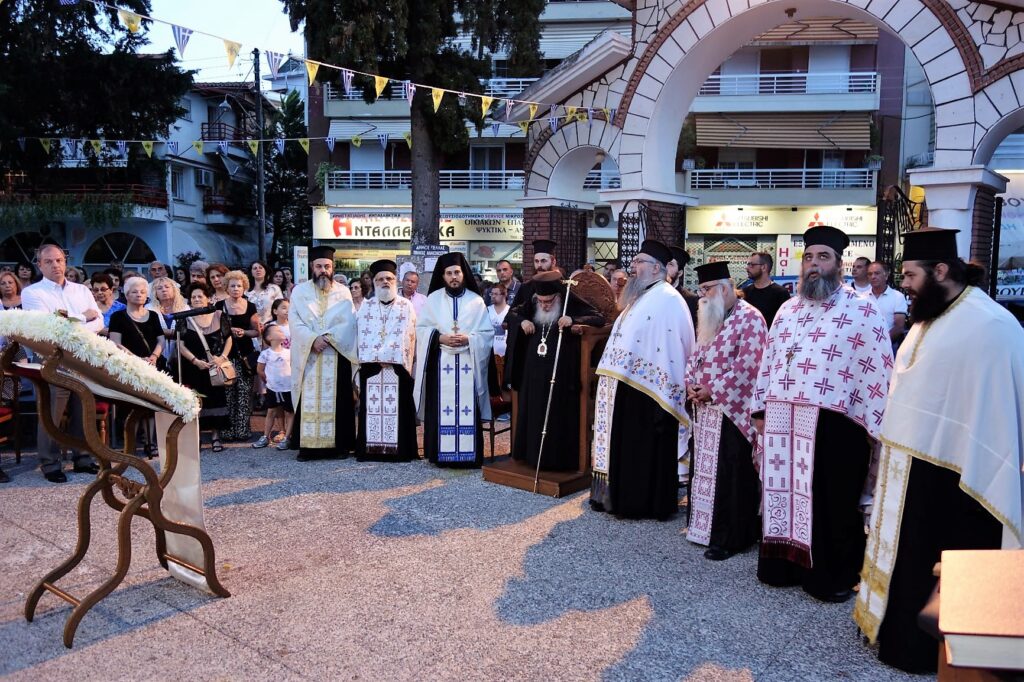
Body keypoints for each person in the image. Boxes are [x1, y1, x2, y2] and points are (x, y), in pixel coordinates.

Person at [855, 228, 1024, 674]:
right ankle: (898, 633)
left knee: (941, 557)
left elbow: (997, 410)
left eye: (911, 275)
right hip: (911, 465)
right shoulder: (930, 316)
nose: (904, 284)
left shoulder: (991, 326)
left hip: (962, 475)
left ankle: (937, 649)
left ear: (941, 271)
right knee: (910, 553)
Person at [752, 225, 893, 603]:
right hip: (784, 420)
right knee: (784, 491)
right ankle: (783, 566)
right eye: (809, 257)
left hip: (837, 425)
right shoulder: (787, 310)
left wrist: (872, 420)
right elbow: (769, 361)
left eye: (823, 257)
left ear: (838, 264)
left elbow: (877, 370)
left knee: (833, 500)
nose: (814, 264)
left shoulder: (861, 309)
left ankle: (831, 576)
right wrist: (760, 408)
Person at [590, 239, 695, 520]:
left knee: (644, 448)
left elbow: (674, 349)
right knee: (627, 447)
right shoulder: (639, 297)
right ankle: (620, 497)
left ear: (656, 268)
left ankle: (643, 503)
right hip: (626, 388)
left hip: (652, 395)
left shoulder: (669, 299)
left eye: (638, 262)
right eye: (634, 261)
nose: (632, 267)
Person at [685, 261, 767, 560]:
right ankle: (703, 529)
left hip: (734, 411)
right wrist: (691, 384)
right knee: (704, 470)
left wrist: (714, 390)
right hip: (706, 410)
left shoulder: (751, 318)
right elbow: (695, 353)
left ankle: (731, 538)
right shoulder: (710, 315)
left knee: (731, 474)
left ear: (724, 287)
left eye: (706, 289)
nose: (702, 296)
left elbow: (749, 365)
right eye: (700, 290)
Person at [505, 271, 604, 472]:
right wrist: (522, 321)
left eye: (549, 301)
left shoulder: (568, 302)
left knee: (556, 414)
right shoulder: (532, 303)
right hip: (533, 371)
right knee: (534, 411)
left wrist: (572, 319)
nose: (544, 306)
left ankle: (556, 461)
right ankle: (532, 457)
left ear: (557, 296)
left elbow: (598, 317)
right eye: (541, 301)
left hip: (561, 371)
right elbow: (512, 314)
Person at [21, 243, 102, 482]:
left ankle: (82, 458)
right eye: (48, 261)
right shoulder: (32, 292)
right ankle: (50, 463)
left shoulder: (81, 290)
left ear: (65, 262)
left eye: (59, 260)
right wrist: (82, 317)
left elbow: (99, 321)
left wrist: (72, 324)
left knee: (82, 406)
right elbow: (50, 327)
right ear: (39, 265)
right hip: (53, 357)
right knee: (52, 411)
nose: (55, 265)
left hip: (82, 354)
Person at [413, 252, 494, 467]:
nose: (453, 277)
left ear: (463, 274)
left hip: (469, 362)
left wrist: (469, 338)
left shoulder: (476, 301)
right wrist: (440, 337)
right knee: (441, 408)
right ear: (443, 276)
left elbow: (487, 334)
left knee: (468, 409)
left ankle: (469, 456)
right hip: (441, 363)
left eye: (457, 272)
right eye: (449, 273)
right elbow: (421, 329)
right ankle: (440, 455)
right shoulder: (433, 299)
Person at [290, 246, 357, 461]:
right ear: (312, 267)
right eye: (319, 266)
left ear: (332, 267)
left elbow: (349, 322)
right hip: (309, 354)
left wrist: (327, 338)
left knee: (339, 399)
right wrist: (312, 339)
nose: (323, 270)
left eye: (327, 266)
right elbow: (294, 321)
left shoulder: (343, 292)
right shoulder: (299, 292)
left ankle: (339, 447)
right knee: (307, 398)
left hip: (336, 353)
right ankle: (308, 448)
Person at [354, 259, 418, 462]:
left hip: (398, 367)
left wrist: (389, 357)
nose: (385, 282)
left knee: (400, 409)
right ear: (374, 282)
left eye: (389, 278)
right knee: (371, 409)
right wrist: (378, 357)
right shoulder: (366, 307)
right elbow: (361, 336)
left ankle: (401, 451)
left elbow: (408, 335)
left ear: (395, 280)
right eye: (380, 279)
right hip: (372, 367)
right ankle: (370, 450)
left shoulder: (406, 306)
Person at [109, 277, 166, 456]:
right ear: (126, 295)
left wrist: (154, 356)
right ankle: (130, 444)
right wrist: (136, 360)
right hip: (129, 366)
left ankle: (151, 442)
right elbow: (115, 343)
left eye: (142, 292)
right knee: (131, 405)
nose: (139, 295)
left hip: (152, 364)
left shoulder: (153, 315)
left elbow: (161, 339)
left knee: (152, 404)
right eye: (134, 292)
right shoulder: (118, 316)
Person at [176, 283, 231, 452]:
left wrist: (222, 358)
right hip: (193, 367)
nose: (197, 299)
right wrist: (195, 361)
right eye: (193, 297)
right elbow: (180, 345)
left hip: (215, 366)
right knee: (195, 401)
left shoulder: (219, 315)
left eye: (200, 296)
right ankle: (196, 437)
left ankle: (216, 437)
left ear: (208, 298)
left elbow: (228, 338)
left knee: (217, 399)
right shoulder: (185, 318)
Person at [219, 270, 260, 442]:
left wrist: (244, 332)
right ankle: (227, 431)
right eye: (232, 286)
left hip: (245, 356)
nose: (236, 288)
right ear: (226, 288)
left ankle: (243, 430)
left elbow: (256, 331)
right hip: (225, 355)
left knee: (244, 393)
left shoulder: (251, 307)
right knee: (228, 393)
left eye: (239, 286)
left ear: (244, 288)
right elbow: (213, 330)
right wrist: (228, 331)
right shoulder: (219, 306)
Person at [253, 324, 294, 451]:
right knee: (271, 411)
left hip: (288, 388)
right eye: (277, 330)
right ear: (269, 337)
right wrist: (268, 380)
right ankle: (265, 436)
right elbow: (260, 370)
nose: (281, 331)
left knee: (289, 412)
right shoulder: (265, 354)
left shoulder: (289, 352)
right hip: (272, 388)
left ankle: (287, 437)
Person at [148, 276, 189, 375]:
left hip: (180, 354)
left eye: (167, 287)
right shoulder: (149, 308)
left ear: (174, 289)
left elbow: (188, 332)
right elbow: (149, 330)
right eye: (159, 288)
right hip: (156, 353)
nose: (164, 290)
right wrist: (173, 333)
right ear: (155, 293)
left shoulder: (185, 308)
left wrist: (163, 332)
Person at [741, 252, 790, 327]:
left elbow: (785, 322)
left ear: (763, 267)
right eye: (748, 264)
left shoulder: (781, 293)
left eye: (752, 265)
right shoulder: (745, 292)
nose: (747, 268)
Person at [866, 261, 908, 346]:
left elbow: (899, 326)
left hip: (889, 345)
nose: (873, 277)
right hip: (865, 345)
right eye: (870, 274)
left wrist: (882, 343)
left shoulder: (897, 297)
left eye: (877, 273)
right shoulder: (862, 297)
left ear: (886, 275)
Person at [667, 246, 699, 326]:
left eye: (671, 264)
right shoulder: (652, 293)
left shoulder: (690, 300)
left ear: (680, 273)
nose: (665, 268)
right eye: (664, 263)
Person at [247, 260, 284, 324]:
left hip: (270, 325)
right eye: (255, 268)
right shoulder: (245, 291)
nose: (258, 270)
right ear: (251, 273)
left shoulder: (274, 288)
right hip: (250, 326)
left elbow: (281, 307)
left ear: (265, 271)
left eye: (260, 268)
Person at [487, 283, 510, 358]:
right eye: (492, 294)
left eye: (496, 294)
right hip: (490, 353)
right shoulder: (486, 310)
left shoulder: (510, 311)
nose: (493, 296)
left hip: (506, 353)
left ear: (504, 295)